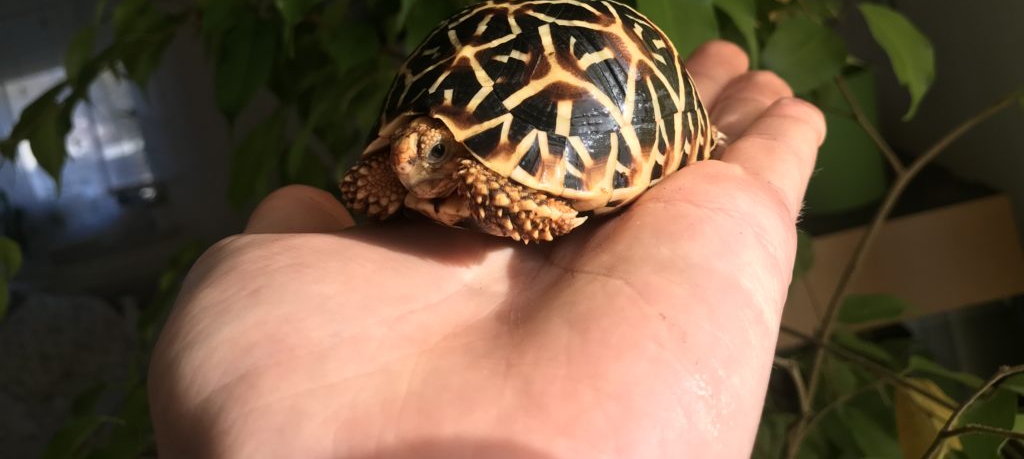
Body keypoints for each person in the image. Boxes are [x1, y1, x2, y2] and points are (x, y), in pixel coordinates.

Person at [148, 41, 825, 458]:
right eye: (406, 148)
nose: (408, 166)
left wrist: (496, 190)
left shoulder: (483, 175)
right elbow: (379, 178)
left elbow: (486, 182)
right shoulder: (406, 159)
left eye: (431, 154)